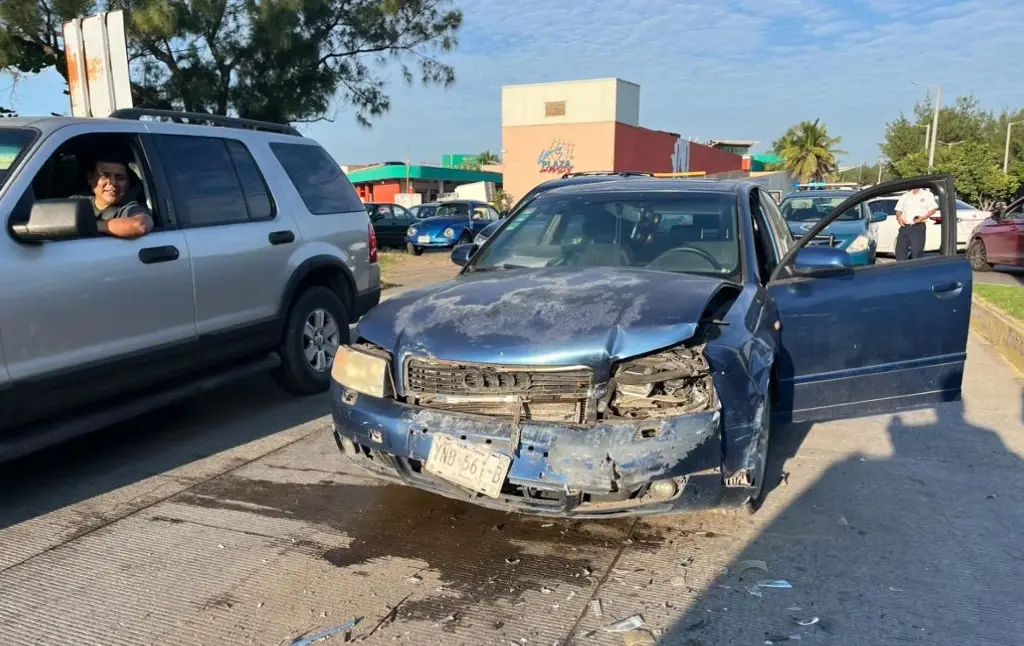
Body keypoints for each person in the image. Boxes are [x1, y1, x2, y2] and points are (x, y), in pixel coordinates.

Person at [77, 158, 155, 239]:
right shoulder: (77, 204)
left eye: (120, 178)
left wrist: (91, 226)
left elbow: (141, 225)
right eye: (105, 176)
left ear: (128, 184)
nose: (113, 183)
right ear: (90, 178)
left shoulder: (128, 209)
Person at [893, 187, 937, 260]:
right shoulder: (905, 195)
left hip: (918, 227)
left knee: (916, 252)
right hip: (904, 227)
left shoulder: (926, 194)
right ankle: (901, 270)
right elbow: (898, 210)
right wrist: (899, 218)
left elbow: (933, 209)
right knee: (900, 251)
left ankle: (916, 270)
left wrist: (922, 218)